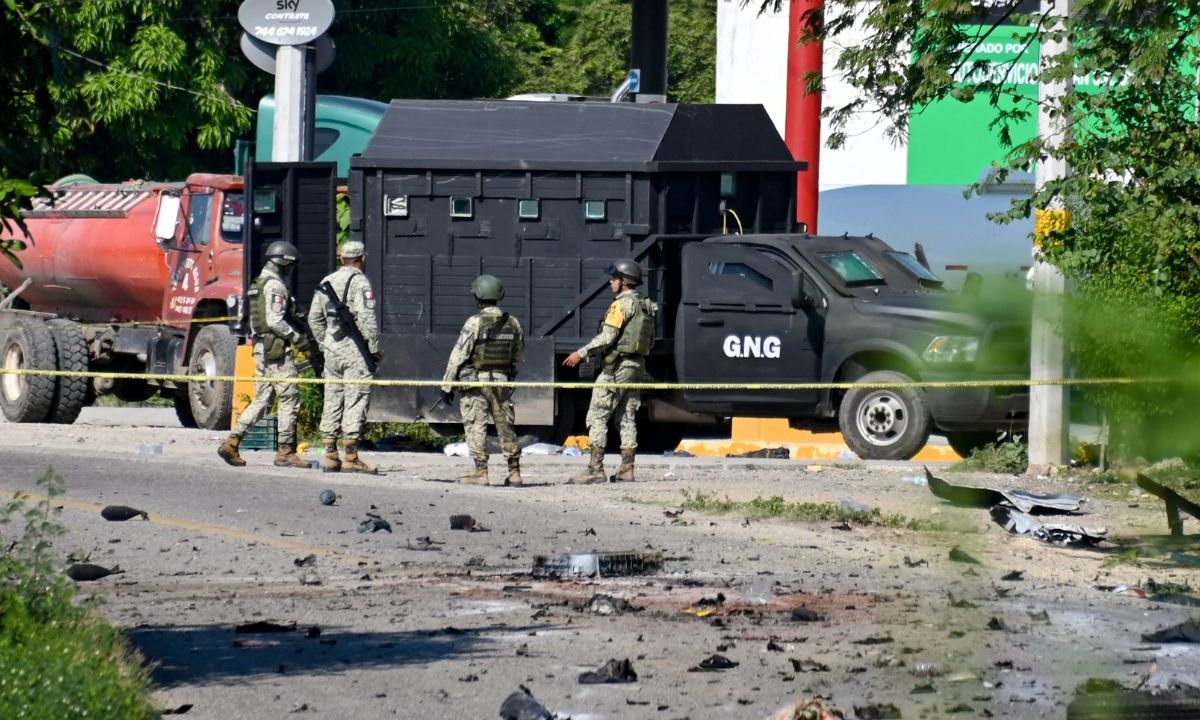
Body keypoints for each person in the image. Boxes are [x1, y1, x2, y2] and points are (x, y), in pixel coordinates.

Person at [218, 241, 312, 469]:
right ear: (283, 263)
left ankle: (232, 441)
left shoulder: (258, 284)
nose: (291, 271)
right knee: (290, 398)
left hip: (261, 348)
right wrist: (298, 339)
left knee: (263, 399)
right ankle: (286, 451)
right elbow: (274, 321)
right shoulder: (275, 286)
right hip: (276, 350)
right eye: (290, 266)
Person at [563, 259, 657, 484]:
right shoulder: (645, 305)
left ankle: (595, 469)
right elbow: (650, 340)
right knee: (626, 416)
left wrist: (581, 353)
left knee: (597, 415)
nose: (610, 282)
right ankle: (627, 468)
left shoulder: (621, 305)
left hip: (617, 367)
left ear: (624, 282)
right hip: (636, 366)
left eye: (614, 278)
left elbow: (608, 337)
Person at [440, 275, 525, 486]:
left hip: (476, 383)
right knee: (506, 425)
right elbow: (518, 355)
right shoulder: (513, 322)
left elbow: (458, 355)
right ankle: (514, 473)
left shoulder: (475, 322)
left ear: (478, 296)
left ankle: (481, 472)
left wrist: (447, 385)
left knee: (475, 424)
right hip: (502, 381)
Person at [307, 240, 382, 474]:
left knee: (332, 395)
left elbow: (314, 319)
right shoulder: (360, 282)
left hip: (332, 351)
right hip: (355, 351)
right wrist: (374, 349)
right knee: (356, 397)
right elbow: (367, 318)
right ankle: (351, 455)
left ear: (341, 258)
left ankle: (330, 453)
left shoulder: (326, 282)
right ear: (363, 259)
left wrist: (325, 342)